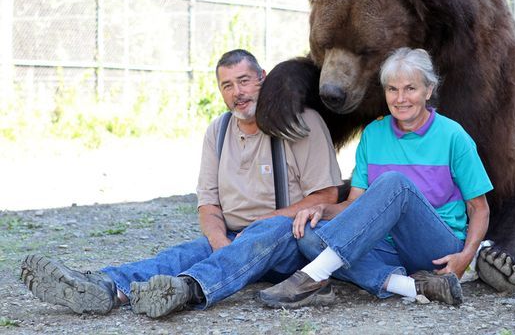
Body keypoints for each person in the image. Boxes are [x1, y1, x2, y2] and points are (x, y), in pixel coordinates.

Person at [20, 49, 342, 318]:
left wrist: (259, 226)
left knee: (267, 232)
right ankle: (107, 287)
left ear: (263, 78)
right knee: (182, 253)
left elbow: (325, 197)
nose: (237, 93)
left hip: (288, 242)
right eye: (227, 86)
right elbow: (208, 204)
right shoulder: (218, 131)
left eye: (244, 81)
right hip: (232, 239)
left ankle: (187, 289)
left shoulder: (301, 121)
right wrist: (219, 241)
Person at [258, 47, 492, 308]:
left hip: (436, 249)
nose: (400, 98)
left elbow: (479, 208)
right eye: (392, 89)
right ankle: (415, 287)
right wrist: (321, 209)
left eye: (410, 88)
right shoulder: (373, 134)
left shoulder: (453, 136)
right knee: (309, 235)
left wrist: (466, 256)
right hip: (386, 248)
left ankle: (311, 276)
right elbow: (355, 204)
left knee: (396, 184)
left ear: (428, 90)